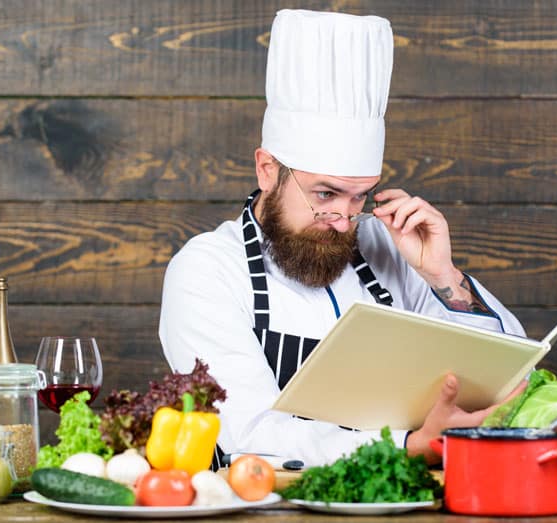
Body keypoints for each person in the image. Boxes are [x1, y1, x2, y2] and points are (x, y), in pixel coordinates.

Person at [159, 9, 526, 467]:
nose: (341, 219)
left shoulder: (388, 245)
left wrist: (442, 275)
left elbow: (508, 375)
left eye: (359, 198)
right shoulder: (207, 271)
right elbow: (249, 432)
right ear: (268, 170)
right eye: (326, 193)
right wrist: (407, 447)